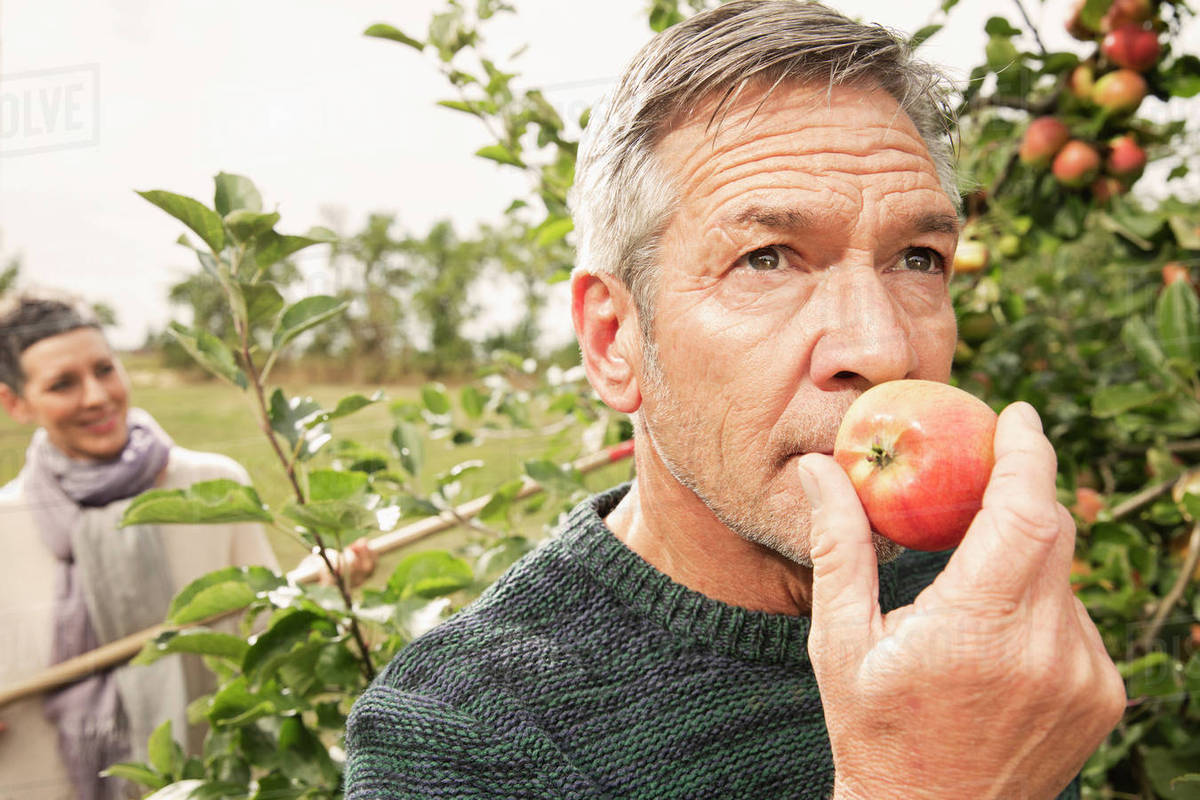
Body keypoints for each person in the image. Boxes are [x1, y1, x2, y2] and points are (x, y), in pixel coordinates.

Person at [344, 2, 1126, 798]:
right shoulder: (461, 740)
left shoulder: (973, 585)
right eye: (768, 260)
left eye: (918, 258)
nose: (883, 347)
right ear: (615, 342)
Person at [0, 294, 370, 800]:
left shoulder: (211, 486)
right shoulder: (6, 523)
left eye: (105, 370)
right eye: (63, 384)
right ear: (14, 403)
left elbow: (262, 643)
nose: (96, 396)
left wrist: (321, 588)